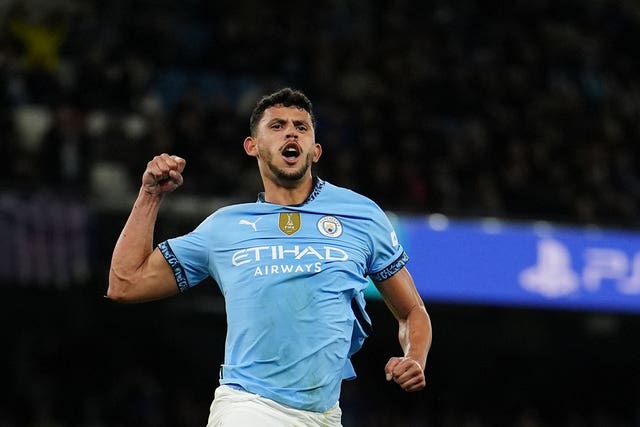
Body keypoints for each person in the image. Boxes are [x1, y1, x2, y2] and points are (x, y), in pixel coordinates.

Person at [107, 87, 432, 426]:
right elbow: (125, 283)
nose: (291, 131)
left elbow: (412, 311)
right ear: (253, 146)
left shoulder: (362, 216)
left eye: (301, 127)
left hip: (324, 415)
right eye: (277, 126)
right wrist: (149, 195)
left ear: (315, 150)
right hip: (248, 407)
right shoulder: (224, 228)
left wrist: (415, 357)